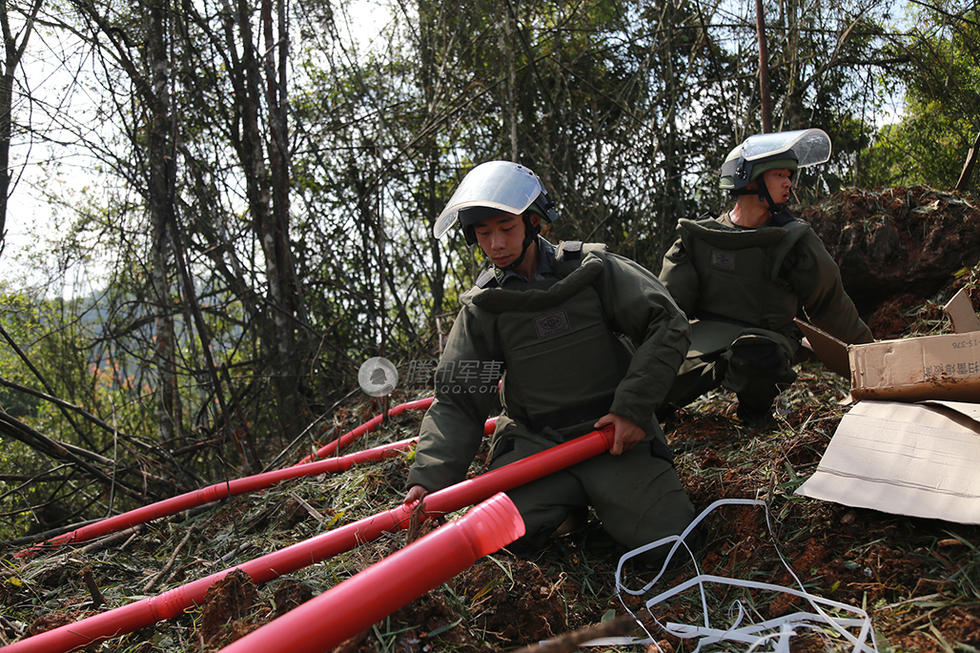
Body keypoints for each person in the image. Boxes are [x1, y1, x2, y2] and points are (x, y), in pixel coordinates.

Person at [404, 160, 695, 553]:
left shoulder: (593, 270)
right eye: (484, 233)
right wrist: (429, 477)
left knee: (671, 546)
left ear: (535, 223)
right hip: (534, 445)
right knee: (496, 547)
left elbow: (668, 324)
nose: (496, 244)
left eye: (506, 228)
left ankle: (594, 506)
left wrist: (633, 409)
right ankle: (564, 510)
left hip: (612, 437)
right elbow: (459, 397)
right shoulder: (486, 307)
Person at [658, 129, 874, 426]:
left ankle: (755, 413)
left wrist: (875, 366)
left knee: (758, 355)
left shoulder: (794, 241)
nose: (788, 183)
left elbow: (831, 305)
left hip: (766, 339)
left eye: (789, 175)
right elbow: (667, 308)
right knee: (652, 386)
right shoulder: (700, 237)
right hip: (703, 339)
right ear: (748, 177)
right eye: (779, 175)